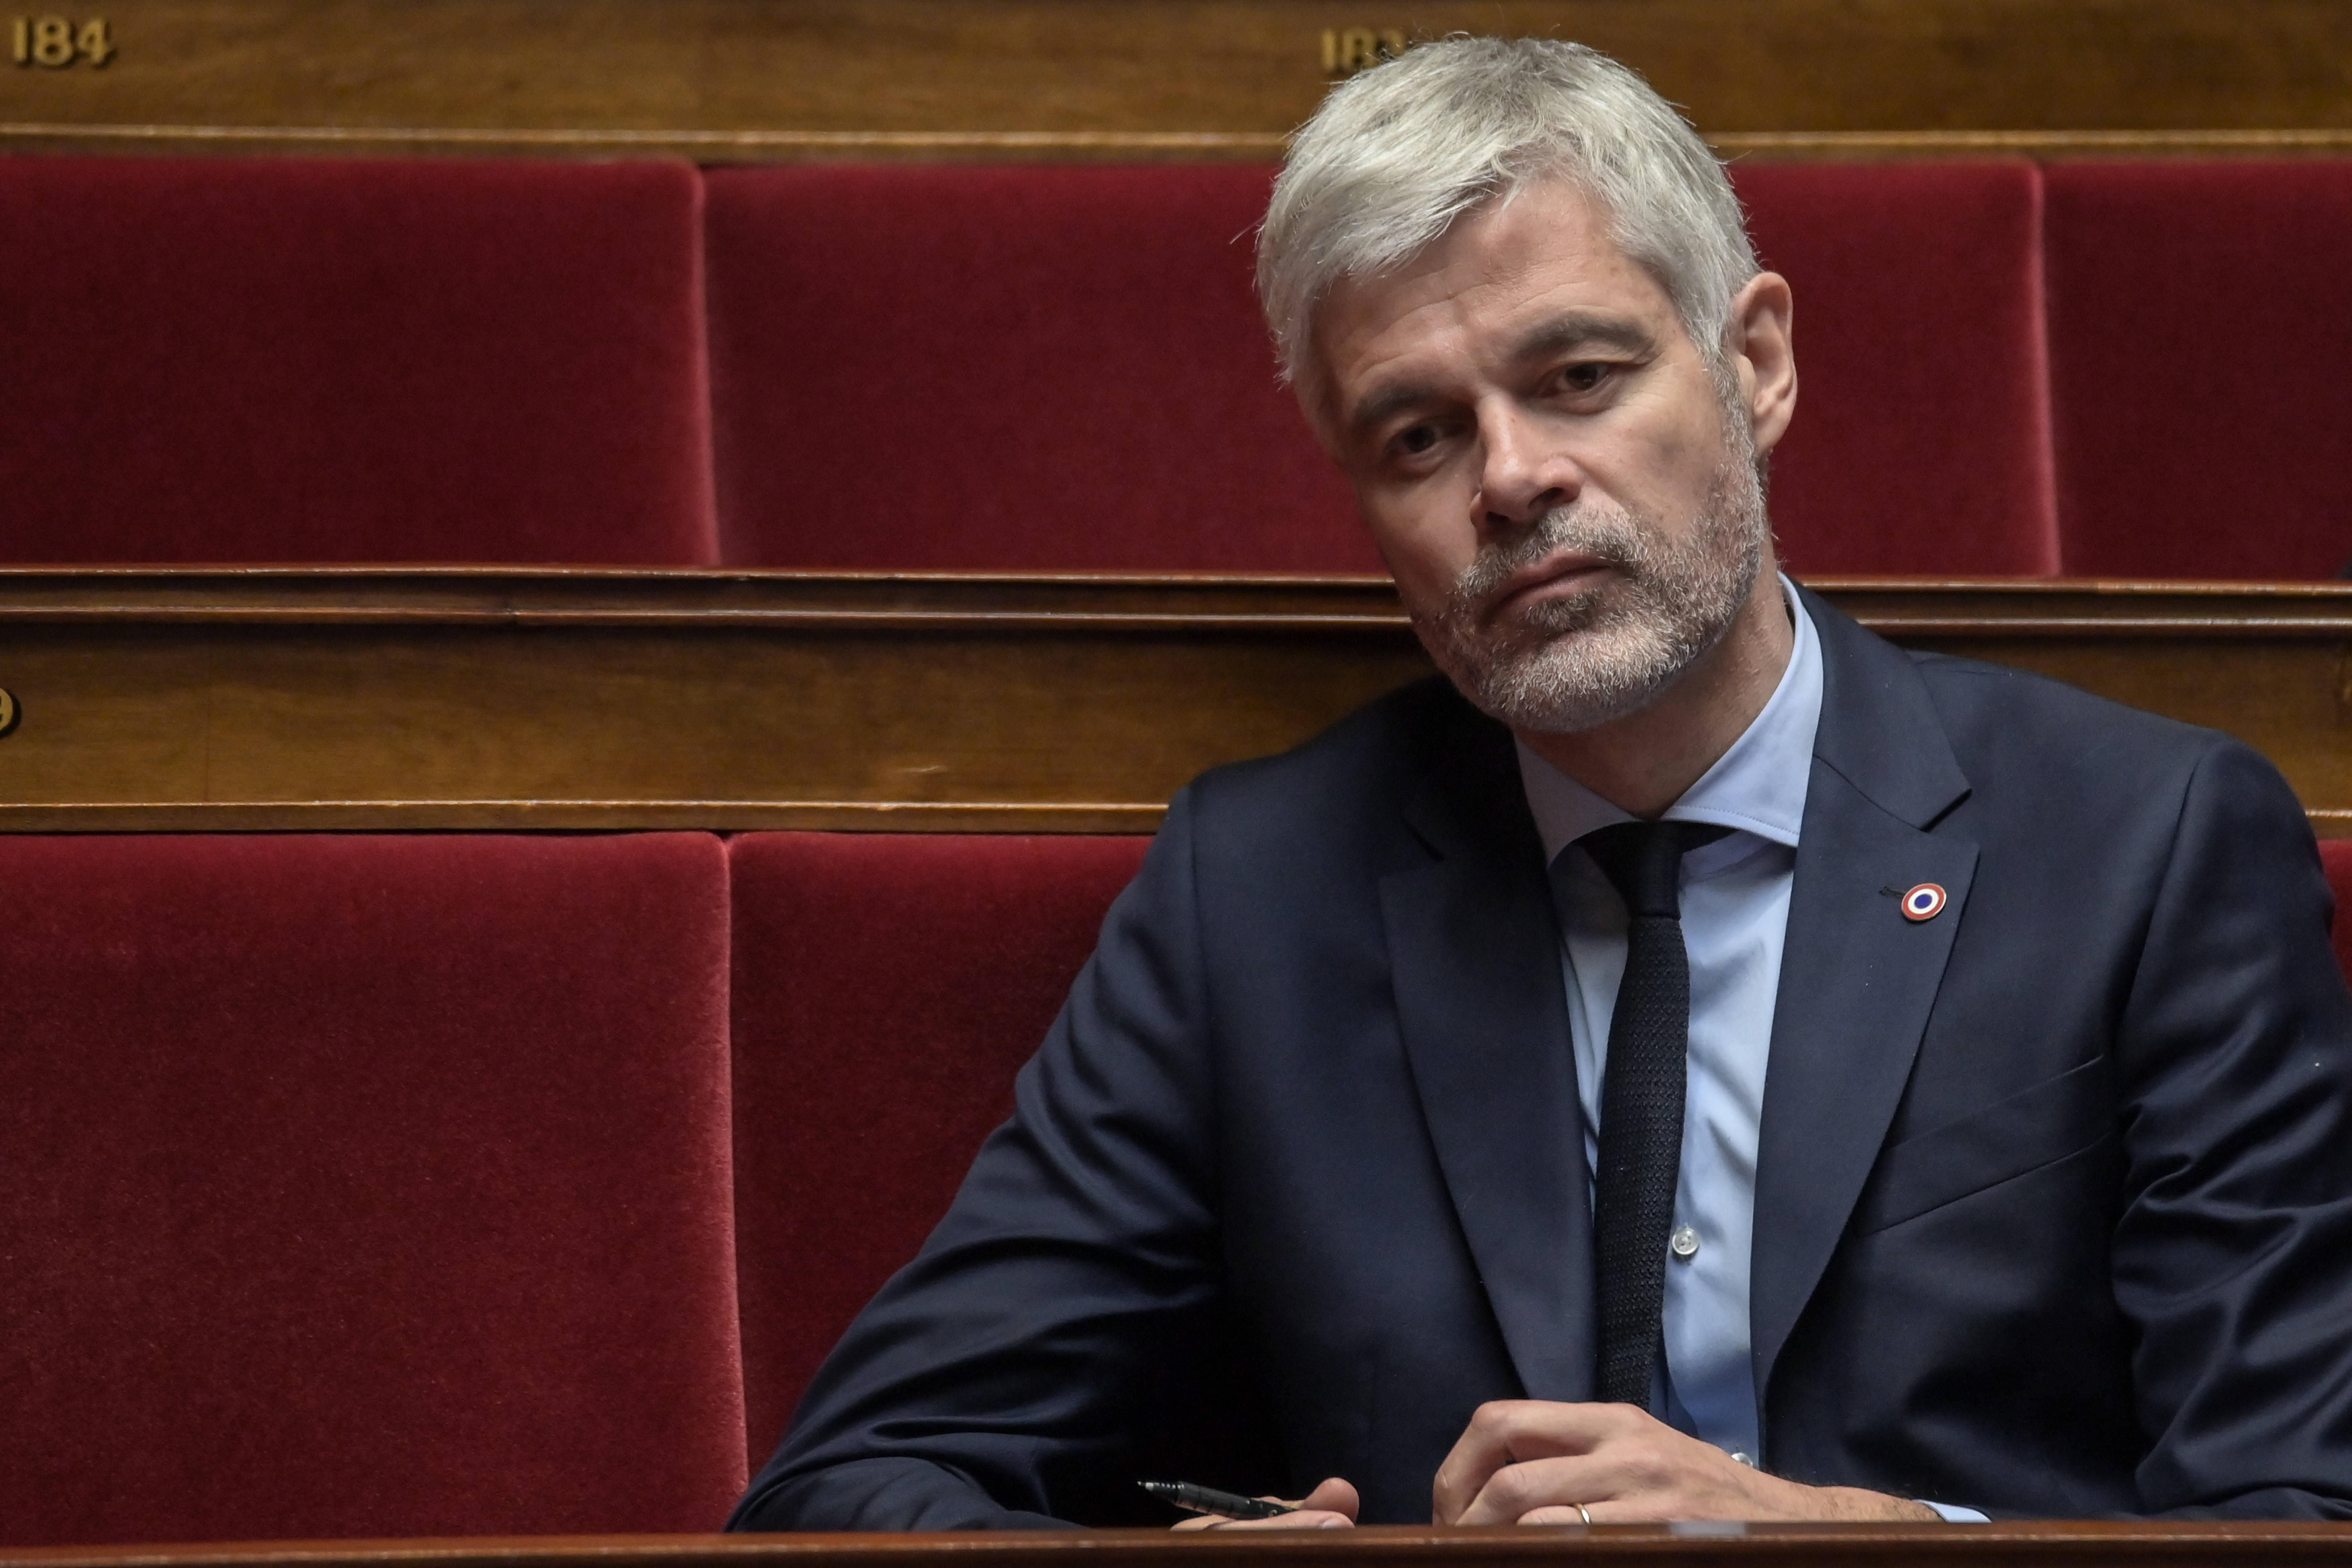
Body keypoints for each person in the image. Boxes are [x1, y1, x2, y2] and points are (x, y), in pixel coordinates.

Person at [729, 38, 2352, 1529]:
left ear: (1757, 363)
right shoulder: (1259, 893)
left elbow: (2300, 1513)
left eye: (1578, 376)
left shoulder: (2147, 846)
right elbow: (855, 1487)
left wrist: (1846, 1541)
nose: (1512, 480)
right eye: (1420, 438)